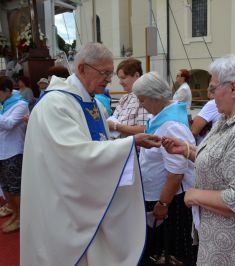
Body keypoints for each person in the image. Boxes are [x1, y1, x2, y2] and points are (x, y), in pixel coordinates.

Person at [20, 42, 161, 266]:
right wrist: (129, 143)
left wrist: (128, 143)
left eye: (110, 73)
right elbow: (74, 155)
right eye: (104, 73)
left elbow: (100, 143)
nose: (109, 79)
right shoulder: (56, 105)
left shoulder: (92, 102)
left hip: (86, 200)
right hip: (63, 205)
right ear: (83, 68)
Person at [163, 55, 235, 265]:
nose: (210, 95)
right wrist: (188, 150)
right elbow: (222, 158)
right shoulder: (230, 118)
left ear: (233, 89)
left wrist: (195, 195)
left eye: (213, 88)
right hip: (221, 242)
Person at [132, 72, 196, 265]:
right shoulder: (159, 116)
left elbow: (176, 173)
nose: (140, 104)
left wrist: (163, 204)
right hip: (160, 195)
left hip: (172, 200)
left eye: (141, 100)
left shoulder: (171, 124)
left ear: (154, 97)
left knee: (173, 253)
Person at [0, 76, 29, 233]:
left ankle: (21, 218)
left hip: (14, 151)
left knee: (15, 187)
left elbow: (9, 124)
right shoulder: (2, 105)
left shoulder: (21, 104)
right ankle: (14, 213)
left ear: (7, 91)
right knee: (5, 187)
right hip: (1, 151)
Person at [107, 58, 149, 137]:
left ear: (137, 75)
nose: (120, 82)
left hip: (133, 147)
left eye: (123, 78)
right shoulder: (124, 98)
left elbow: (145, 129)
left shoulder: (144, 97)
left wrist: (116, 127)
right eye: (119, 78)